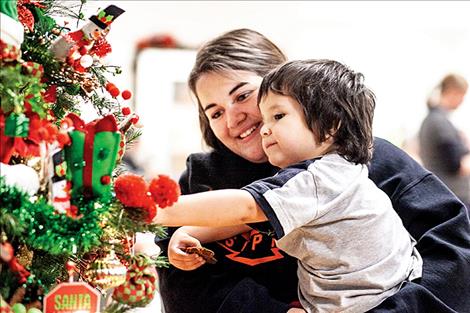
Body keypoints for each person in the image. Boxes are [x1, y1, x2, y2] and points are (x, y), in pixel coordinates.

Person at [155, 29, 470, 313]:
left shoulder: (357, 159)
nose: (233, 117)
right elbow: (185, 287)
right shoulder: (201, 179)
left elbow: (453, 249)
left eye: (243, 96)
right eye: (215, 112)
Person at [419, 74, 470, 207]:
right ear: (453, 92)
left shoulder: (434, 120)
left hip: (446, 193)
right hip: (455, 196)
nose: (462, 100)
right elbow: (454, 163)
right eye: (462, 95)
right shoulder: (439, 123)